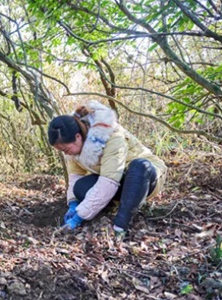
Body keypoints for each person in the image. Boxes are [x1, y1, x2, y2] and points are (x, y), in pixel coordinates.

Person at [48, 100, 167, 237]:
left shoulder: (111, 136)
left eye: (66, 149)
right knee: (81, 187)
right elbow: (75, 177)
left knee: (139, 167)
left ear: (78, 136)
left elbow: (108, 183)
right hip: (117, 179)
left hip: (145, 178)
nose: (66, 153)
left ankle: (121, 226)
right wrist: (73, 205)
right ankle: (106, 207)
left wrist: (79, 216)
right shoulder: (73, 148)